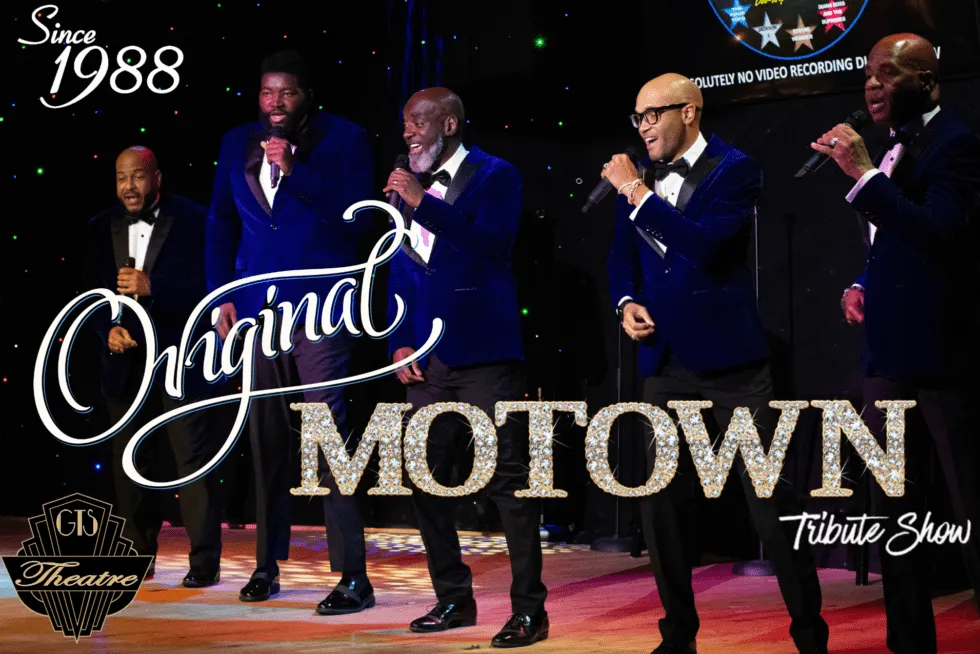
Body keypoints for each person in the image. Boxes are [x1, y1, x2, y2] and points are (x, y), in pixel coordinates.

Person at [602, 74, 829, 654]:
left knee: (770, 502)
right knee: (661, 506)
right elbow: (621, 256)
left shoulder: (735, 168)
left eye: (653, 114)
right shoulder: (642, 176)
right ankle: (678, 635)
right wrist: (626, 302)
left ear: (689, 112)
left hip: (733, 367)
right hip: (665, 363)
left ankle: (810, 634)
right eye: (637, 117)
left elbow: (703, 246)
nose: (644, 126)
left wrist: (636, 193)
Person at [815, 33, 980, 654]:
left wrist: (862, 174)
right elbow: (896, 238)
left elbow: (940, 233)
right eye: (867, 73)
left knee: (969, 506)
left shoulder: (958, 144)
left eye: (889, 73)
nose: (872, 84)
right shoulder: (894, 149)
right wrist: (864, 282)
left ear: (928, 83)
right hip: (887, 358)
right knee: (894, 515)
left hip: (943, 358)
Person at [206, 49, 377, 613]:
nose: (275, 103)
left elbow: (358, 216)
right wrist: (222, 297)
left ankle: (353, 576)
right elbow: (221, 224)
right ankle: (265, 566)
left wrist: (296, 171)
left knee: (329, 437)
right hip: (258, 313)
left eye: (287, 92)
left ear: (307, 95)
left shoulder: (345, 139)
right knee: (267, 441)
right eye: (266, 92)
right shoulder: (236, 141)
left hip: (321, 311)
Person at [384, 87, 549, 648]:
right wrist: (400, 342)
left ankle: (529, 611)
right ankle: (453, 598)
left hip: (485, 357)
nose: (407, 133)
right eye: (404, 124)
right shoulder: (405, 189)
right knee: (425, 479)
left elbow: (492, 246)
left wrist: (423, 202)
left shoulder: (496, 175)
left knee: (508, 482)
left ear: (449, 124)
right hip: (427, 361)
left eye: (417, 122)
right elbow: (401, 269)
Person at [84, 146, 222, 588]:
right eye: (121, 177)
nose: (129, 186)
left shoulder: (195, 219)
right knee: (128, 461)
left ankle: (204, 563)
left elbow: (212, 285)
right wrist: (106, 330)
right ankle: (137, 558)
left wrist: (154, 286)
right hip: (124, 363)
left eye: (138, 176)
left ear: (157, 178)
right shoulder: (98, 227)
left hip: (178, 358)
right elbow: (86, 295)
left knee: (191, 458)